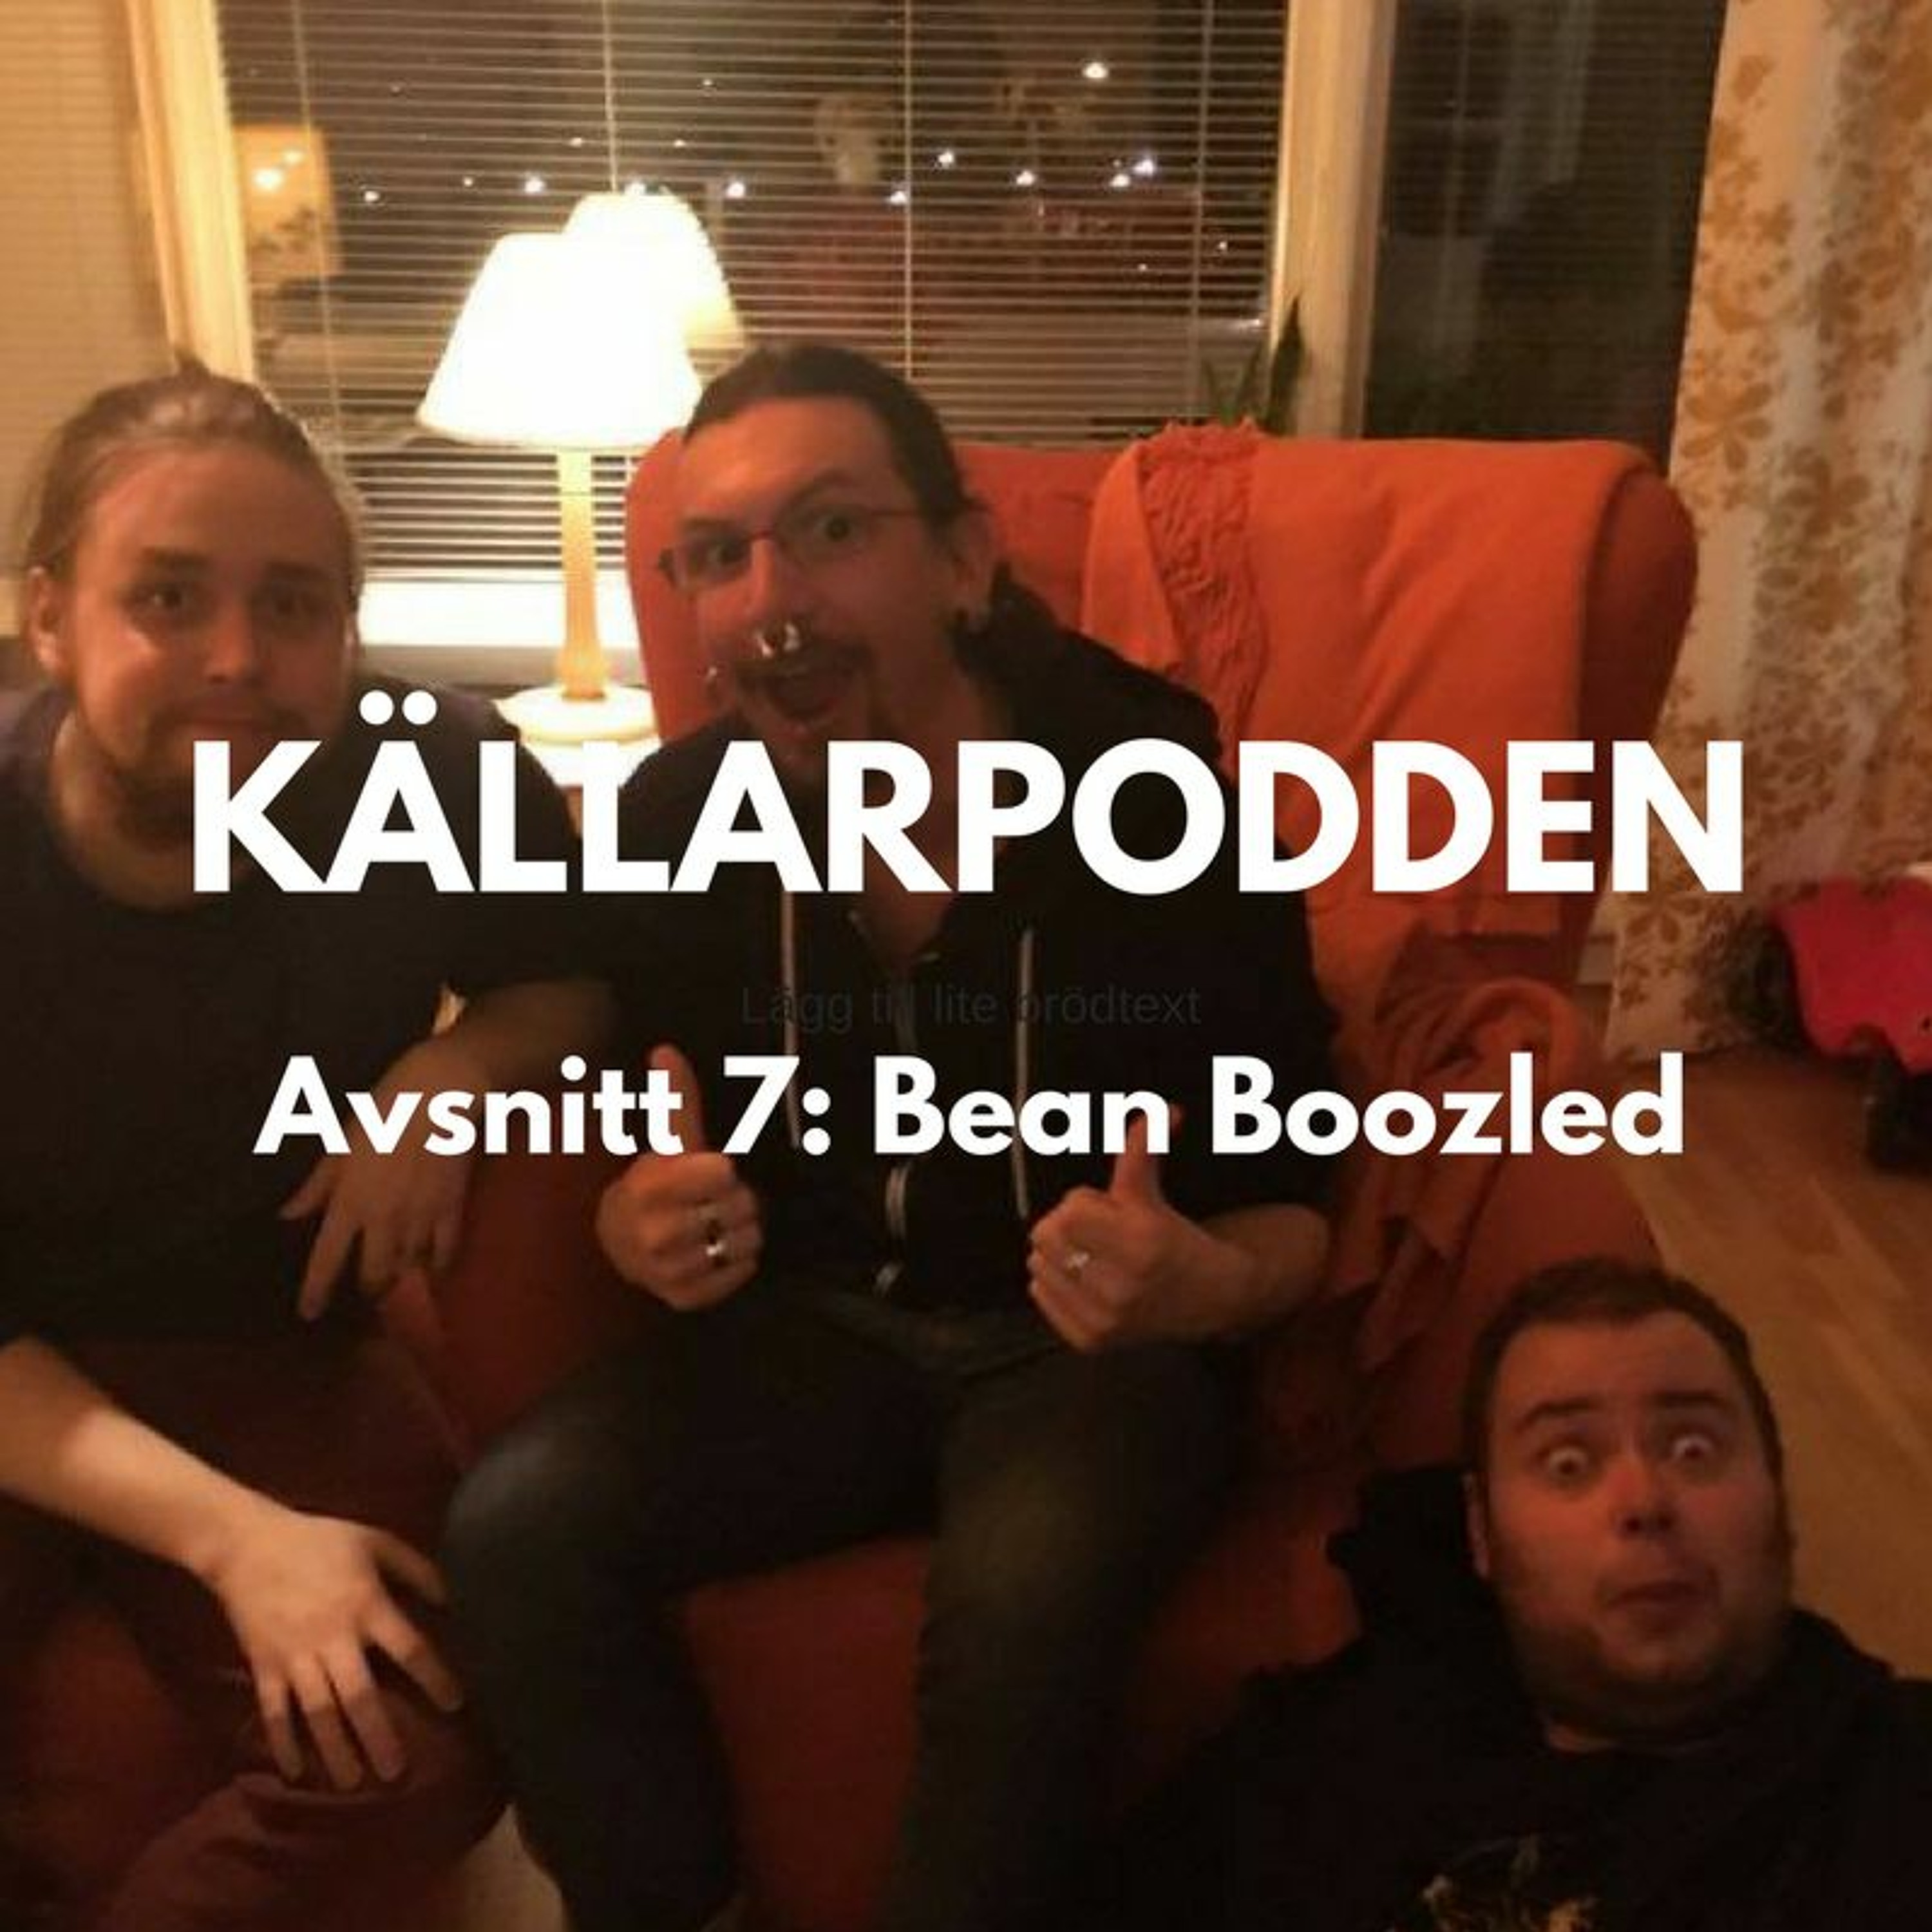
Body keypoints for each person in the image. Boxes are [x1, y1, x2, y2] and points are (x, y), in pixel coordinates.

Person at [442, 341, 1340, 1932]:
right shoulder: (671, 823)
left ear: (965, 563)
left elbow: (1301, 1192)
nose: (771, 600)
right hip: (817, 1336)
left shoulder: (1156, 796)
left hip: (1092, 1352)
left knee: (1027, 1594)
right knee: (516, 1526)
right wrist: (632, 1221)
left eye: (832, 529)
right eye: (717, 557)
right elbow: (617, 1097)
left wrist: (1207, 1283)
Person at [0, 364, 611, 1932]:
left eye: (292, 606)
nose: (236, 660)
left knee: (422, 1754)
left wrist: (449, 1071)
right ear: (49, 616)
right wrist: (236, 1543)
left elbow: (571, 983)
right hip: (22, 1373)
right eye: (169, 597)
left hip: (275, 1353)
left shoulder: (439, 767)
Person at [1077, 1256, 1932, 1932]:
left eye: (1693, 1449)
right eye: (1569, 1463)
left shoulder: (1896, 1788)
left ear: (1777, 1497)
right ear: (1482, 1534)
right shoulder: (1302, 1774)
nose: (1643, 1500)